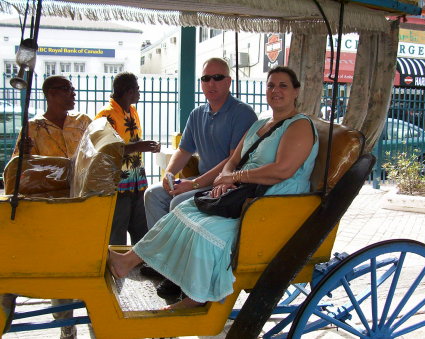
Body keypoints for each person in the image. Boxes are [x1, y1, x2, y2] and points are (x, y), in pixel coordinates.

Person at [108, 66, 319, 310]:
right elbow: (233, 160)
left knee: (205, 227)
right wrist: (226, 178)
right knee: (184, 209)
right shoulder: (260, 124)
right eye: (271, 85)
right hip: (246, 194)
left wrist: (235, 177)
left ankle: (199, 296)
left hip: (272, 202)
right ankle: (129, 261)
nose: (276, 91)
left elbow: (283, 170)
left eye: (283, 85)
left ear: (296, 91)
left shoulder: (299, 125)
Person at [141, 57, 257, 295]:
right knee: (153, 195)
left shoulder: (242, 113)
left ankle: (179, 272)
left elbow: (232, 160)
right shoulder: (197, 114)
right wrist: (170, 173)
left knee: (177, 201)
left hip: (227, 187)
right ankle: (161, 260)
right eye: (206, 78)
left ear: (229, 82)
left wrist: (193, 183)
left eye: (218, 78)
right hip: (201, 182)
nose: (211, 83)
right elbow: (184, 150)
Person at [7, 75, 90, 339]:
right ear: (50, 94)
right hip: (49, 211)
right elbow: (16, 174)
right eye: (66, 89)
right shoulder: (32, 128)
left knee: (85, 267)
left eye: (72, 89)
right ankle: (66, 326)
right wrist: (24, 154)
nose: (72, 93)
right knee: (59, 269)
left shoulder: (83, 123)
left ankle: (94, 317)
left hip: (83, 206)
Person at [95, 72, 160, 246]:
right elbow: (103, 149)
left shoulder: (131, 112)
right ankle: (117, 270)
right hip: (117, 185)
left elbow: (133, 141)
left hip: (137, 182)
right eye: (137, 89)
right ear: (129, 91)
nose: (139, 93)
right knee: (117, 231)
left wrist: (150, 145)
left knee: (141, 228)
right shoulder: (106, 115)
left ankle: (141, 266)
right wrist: (138, 147)